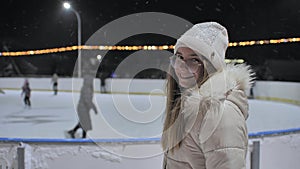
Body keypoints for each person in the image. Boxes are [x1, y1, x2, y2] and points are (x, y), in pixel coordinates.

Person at [161, 22, 255, 169]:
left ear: (210, 66)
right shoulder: (188, 105)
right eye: (179, 57)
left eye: (194, 60)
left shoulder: (219, 111)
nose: (181, 67)